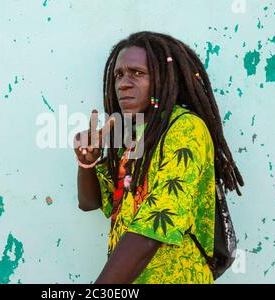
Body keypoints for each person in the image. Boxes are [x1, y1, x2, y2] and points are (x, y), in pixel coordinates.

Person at [74, 31, 244, 284]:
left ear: (163, 81)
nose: (123, 83)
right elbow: (91, 202)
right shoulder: (132, 135)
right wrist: (87, 161)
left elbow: (153, 229)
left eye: (137, 73)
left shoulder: (186, 129)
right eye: (118, 75)